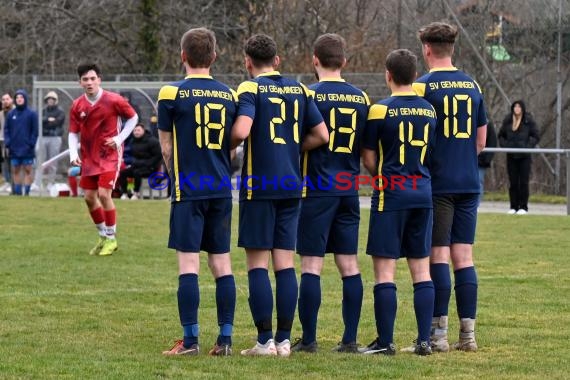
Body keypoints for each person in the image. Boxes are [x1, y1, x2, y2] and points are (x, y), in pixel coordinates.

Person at [231, 34, 328, 357]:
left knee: (257, 264)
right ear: (277, 59)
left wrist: (226, 147)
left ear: (248, 62)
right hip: (292, 185)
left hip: (259, 186)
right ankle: (285, 341)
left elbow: (243, 130)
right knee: (285, 264)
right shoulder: (300, 89)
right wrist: (293, 147)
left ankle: (264, 341)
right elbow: (322, 134)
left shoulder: (249, 88)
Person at [158, 28, 238, 357]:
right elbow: (233, 148)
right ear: (215, 57)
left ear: (183, 56)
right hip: (219, 187)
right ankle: (226, 339)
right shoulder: (230, 95)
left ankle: (190, 340)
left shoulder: (170, 94)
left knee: (189, 264)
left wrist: (172, 175)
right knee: (222, 264)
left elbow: (165, 147)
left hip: (189, 187)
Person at [411, 22, 488, 353]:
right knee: (464, 256)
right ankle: (467, 335)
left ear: (427, 49)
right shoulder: (473, 85)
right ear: (451, 48)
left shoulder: (422, 87)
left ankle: (438, 335)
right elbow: (481, 142)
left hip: (438, 182)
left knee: (438, 255)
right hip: (469, 181)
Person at [291, 33, 369, 354]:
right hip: (349, 189)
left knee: (311, 265)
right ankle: (349, 339)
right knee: (349, 264)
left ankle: (308, 340)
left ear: (314, 60)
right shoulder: (362, 98)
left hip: (317, 189)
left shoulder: (307, 95)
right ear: (345, 62)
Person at [359, 49, 437, 356]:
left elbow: (368, 157)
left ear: (387, 75)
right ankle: (424, 341)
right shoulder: (429, 110)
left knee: (385, 272)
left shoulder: (380, 110)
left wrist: (380, 177)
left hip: (391, 193)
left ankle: (385, 342)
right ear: (415, 76)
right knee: (421, 270)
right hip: (423, 192)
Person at [68, 63, 138, 256]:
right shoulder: (77, 105)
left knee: (104, 194)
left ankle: (112, 238)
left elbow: (133, 118)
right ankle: (102, 235)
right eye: (85, 79)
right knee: (89, 198)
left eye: (93, 78)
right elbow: (73, 133)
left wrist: (119, 139)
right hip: (89, 157)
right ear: (80, 82)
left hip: (110, 156)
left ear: (99, 79)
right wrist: (74, 154)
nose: (89, 82)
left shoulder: (114, 100)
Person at [498, 100, 539, 215]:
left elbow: (536, 135)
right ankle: (513, 206)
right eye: (515, 106)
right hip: (511, 156)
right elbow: (501, 135)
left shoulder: (528, 120)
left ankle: (523, 206)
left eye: (519, 106)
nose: (517, 108)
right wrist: (506, 146)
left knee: (524, 182)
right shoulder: (508, 120)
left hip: (524, 156)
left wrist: (528, 146)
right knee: (513, 182)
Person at [4, 89, 38, 196]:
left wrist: (31, 143)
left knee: (28, 170)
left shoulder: (32, 114)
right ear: (15, 100)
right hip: (14, 148)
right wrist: (8, 143)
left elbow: (35, 131)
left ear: (25, 99)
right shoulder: (11, 114)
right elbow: (6, 130)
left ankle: (26, 193)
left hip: (27, 148)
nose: (19, 99)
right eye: (17, 98)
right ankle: (18, 193)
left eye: (21, 97)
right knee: (16, 170)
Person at [118, 123, 161, 200]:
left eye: (138, 130)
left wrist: (148, 164)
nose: (136, 132)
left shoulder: (152, 141)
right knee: (123, 173)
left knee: (136, 172)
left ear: (143, 130)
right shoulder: (132, 141)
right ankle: (125, 193)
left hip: (150, 168)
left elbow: (158, 156)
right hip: (136, 165)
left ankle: (136, 193)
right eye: (134, 130)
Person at [36, 91, 66, 188]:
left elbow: (58, 122)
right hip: (43, 137)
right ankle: (38, 182)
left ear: (55, 100)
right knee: (40, 160)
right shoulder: (43, 110)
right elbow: (40, 120)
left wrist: (48, 121)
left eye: (52, 99)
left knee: (53, 161)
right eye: (49, 99)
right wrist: (49, 119)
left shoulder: (60, 111)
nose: (50, 101)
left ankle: (50, 182)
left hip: (55, 138)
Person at [477, 121, 497, 206]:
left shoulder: (488, 124)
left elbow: (492, 142)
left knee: (479, 182)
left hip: (480, 161)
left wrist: (486, 160)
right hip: (467, 160)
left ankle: (476, 205)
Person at [0, 93, 15, 191]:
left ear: (11, 100)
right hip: (2, 140)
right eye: (3, 99)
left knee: (12, 162)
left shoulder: (16, 112)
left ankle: (14, 183)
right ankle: (7, 182)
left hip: (14, 140)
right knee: (4, 162)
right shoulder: (1, 113)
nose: (5, 101)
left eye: (7, 99)